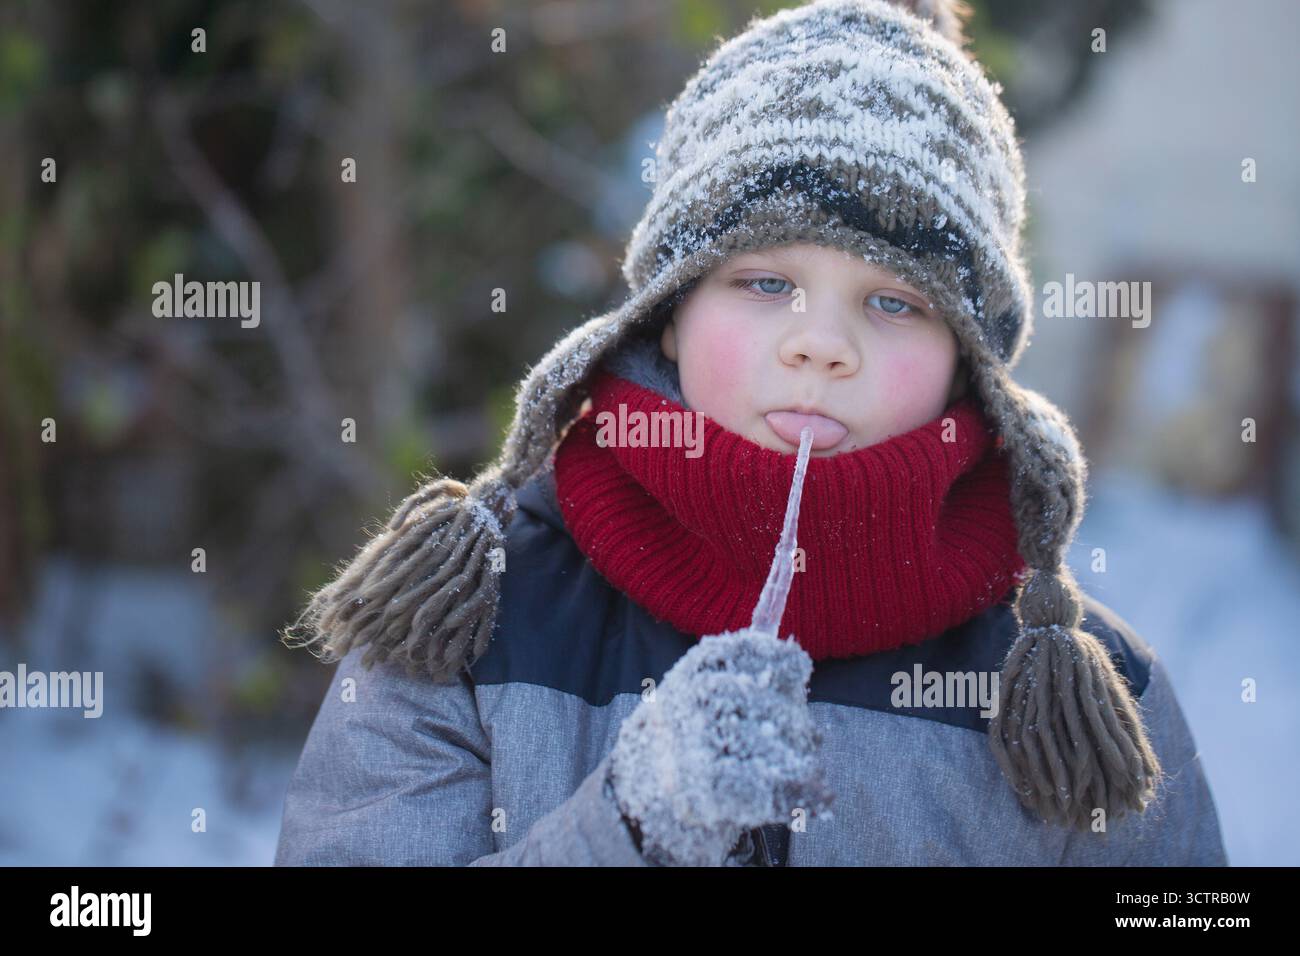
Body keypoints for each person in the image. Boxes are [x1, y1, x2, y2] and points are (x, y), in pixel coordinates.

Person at [273, 0, 1228, 866]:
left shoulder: (1080, 697)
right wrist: (627, 834)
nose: (822, 344)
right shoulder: (475, 626)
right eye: (766, 283)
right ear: (669, 313)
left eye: (895, 302)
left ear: (967, 363)